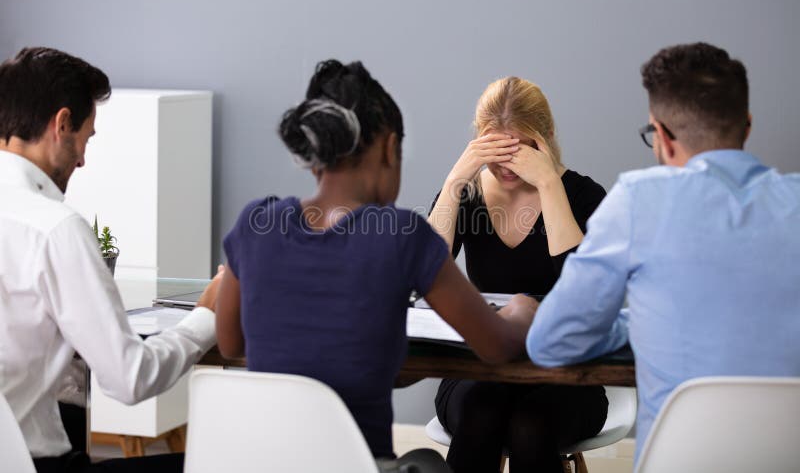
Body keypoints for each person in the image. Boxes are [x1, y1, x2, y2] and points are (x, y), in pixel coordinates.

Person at [214, 60, 538, 472]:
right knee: (428, 463)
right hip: (359, 465)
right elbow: (495, 347)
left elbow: (231, 345)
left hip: (265, 463)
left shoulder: (255, 223)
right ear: (389, 147)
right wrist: (519, 312)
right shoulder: (400, 233)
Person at [526, 42, 800, 465]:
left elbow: (551, 343)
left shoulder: (638, 200)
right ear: (746, 126)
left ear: (663, 139)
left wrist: (636, 325)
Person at [0, 47, 222, 473]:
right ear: (61, 124)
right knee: (221, 463)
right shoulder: (54, 229)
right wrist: (206, 315)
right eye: (86, 138)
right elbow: (129, 379)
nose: (82, 159)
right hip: (37, 463)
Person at [428, 77, 609, 472]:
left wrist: (548, 182)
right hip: (481, 364)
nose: (507, 164)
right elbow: (426, 272)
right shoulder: (467, 194)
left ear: (545, 139)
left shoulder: (584, 196)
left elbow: (588, 291)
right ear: (478, 141)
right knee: (483, 411)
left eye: (521, 150)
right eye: (496, 149)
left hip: (566, 371)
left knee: (530, 425)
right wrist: (455, 182)